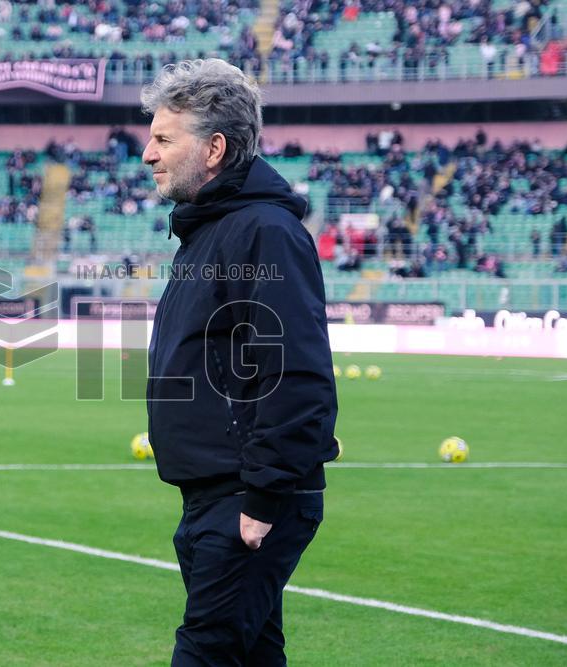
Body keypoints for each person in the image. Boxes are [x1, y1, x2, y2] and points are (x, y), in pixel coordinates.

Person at [141, 59, 339, 666]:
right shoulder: (211, 231)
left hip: (246, 497)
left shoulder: (263, 232)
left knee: (206, 653)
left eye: (163, 138)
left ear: (214, 149)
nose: (147, 153)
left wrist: (263, 499)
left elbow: (297, 374)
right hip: (214, 494)